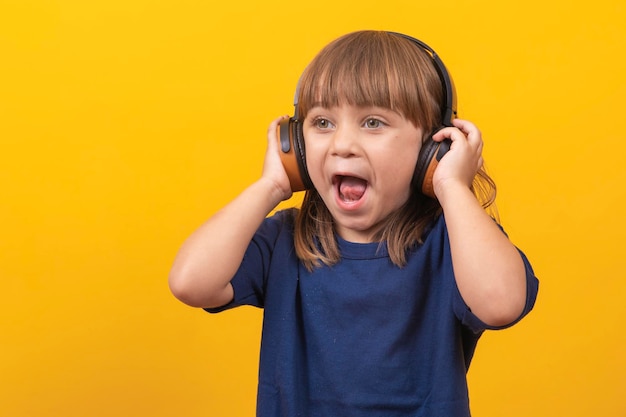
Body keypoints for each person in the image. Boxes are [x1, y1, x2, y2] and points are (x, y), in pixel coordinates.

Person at [169, 30, 539, 417]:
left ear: (433, 148)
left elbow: (501, 304)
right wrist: (272, 185)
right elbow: (190, 282)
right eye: (323, 122)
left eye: (373, 123)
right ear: (294, 143)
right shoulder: (284, 240)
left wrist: (450, 185)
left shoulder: (454, 243)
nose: (342, 144)